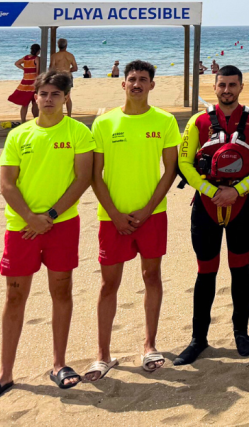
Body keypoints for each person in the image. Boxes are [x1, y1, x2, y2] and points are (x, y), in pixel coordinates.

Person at [0, 71, 93, 403]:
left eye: (56, 93)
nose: (49, 99)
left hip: (62, 225)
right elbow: (7, 184)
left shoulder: (79, 133)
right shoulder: (19, 135)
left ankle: (58, 364)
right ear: (35, 97)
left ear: (66, 97)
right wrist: (31, 218)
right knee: (14, 295)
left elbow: (82, 179)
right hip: (21, 227)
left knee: (61, 290)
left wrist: (50, 217)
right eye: (43, 93)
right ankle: (5, 373)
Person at [85, 60, 180, 380]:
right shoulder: (103, 123)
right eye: (132, 79)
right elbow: (94, 175)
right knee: (108, 284)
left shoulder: (165, 122)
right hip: (111, 218)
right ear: (122, 84)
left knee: (151, 277)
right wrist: (114, 214)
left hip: (152, 216)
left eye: (143, 79)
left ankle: (150, 345)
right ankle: (103, 355)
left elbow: (170, 171)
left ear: (153, 85)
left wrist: (148, 208)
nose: (137, 84)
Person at [174, 65, 249, 365]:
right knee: (206, 272)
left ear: (241, 87)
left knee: (240, 268)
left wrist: (239, 190)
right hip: (207, 203)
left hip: (242, 203)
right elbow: (184, 162)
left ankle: (241, 334)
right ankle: (198, 339)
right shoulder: (198, 121)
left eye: (232, 85)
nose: (227, 90)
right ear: (214, 88)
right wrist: (210, 190)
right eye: (222, 85)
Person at [8, 44, 41, 123]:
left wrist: (24, 69)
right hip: (33, 83)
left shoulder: (26, 58)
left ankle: (23, 121)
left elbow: (16, 63)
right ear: (38, 51)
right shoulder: (37, 59)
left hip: (25, 82)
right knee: (34, 102)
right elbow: (37, 72)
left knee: (24, 103)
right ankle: (36, 119)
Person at [49, 38, 78, 117]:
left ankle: (58, 114)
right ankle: (69, 115)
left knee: (57, 95)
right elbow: (75, 68)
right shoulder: (70, 55)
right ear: (66, 46)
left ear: (58, 46)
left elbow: (51, 68)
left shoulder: (54, 56)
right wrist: (68, 70)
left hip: (58, 77)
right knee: (68, 96)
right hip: (68, 76)